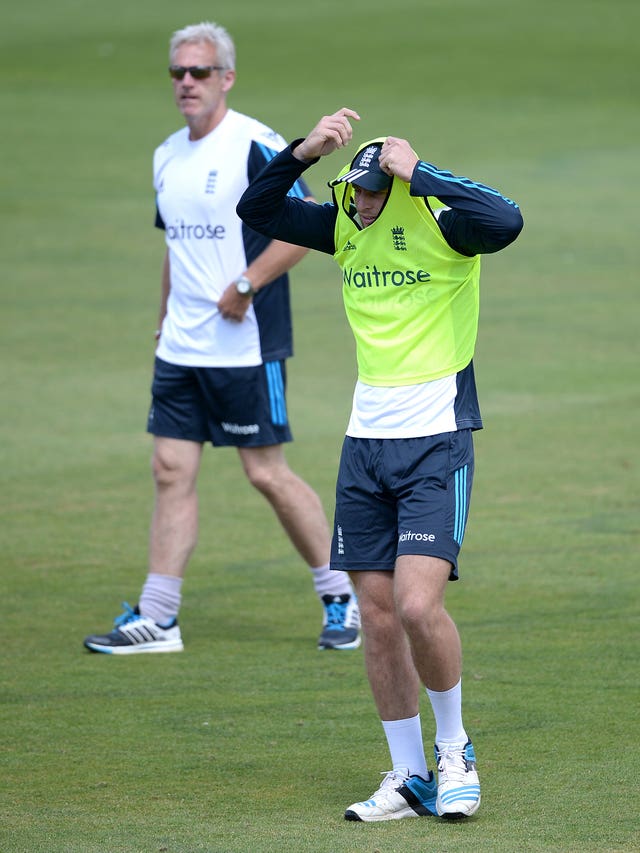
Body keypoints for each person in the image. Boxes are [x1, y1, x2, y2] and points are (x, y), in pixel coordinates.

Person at [236, 107, 523, 821]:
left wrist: (419, 172)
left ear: (396, 185)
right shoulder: (340, 219)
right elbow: (257, 207)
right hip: (364, 445)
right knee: (378, 614)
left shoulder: (445, 223)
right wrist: (303, 151)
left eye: (373, 191)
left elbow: (507, 218)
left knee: (420, 605)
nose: (361, 203)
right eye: (355, 191)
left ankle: (456, 751)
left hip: (437, 440)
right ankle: (408, 773)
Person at [83, 26, 360, 655]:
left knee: (265, 472)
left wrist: (246, 283)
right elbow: (175, 246)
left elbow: (306, 229)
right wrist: (163, 318)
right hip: (181, 345)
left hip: (245, 342)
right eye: (178, 72)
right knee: (169, 468)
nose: (186, 82)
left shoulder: (256, 145)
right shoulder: (166, 155)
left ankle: (341, 597)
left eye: (200, 72)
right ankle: (159, 617)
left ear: (226, 78)